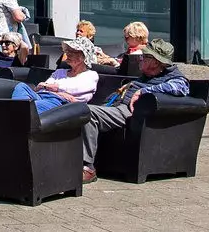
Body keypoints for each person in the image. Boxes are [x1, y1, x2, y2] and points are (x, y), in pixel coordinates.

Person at [79, 36, 192, 182]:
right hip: (116, 106)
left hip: (129, 113)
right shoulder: (147, 75)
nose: (139, 59)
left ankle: (88, 169)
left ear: (156, 62)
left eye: (144, 57)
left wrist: (143, 91)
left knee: (89, 112)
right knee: (76, 111)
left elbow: (181, 88)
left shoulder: (173, 77)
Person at [4, 36, 100, 111]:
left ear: (82, 57)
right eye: (67, 51)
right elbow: (43, 86)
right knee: (21, 86)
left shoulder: (90, 75)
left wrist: (55, 88)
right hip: (41, 96)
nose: (67, 54)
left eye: (72, 52)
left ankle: (16, 113)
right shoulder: (60, 71)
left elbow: (77, 88)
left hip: (59, 103)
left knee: (30, 107)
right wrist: (55, 89)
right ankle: (17, 111)